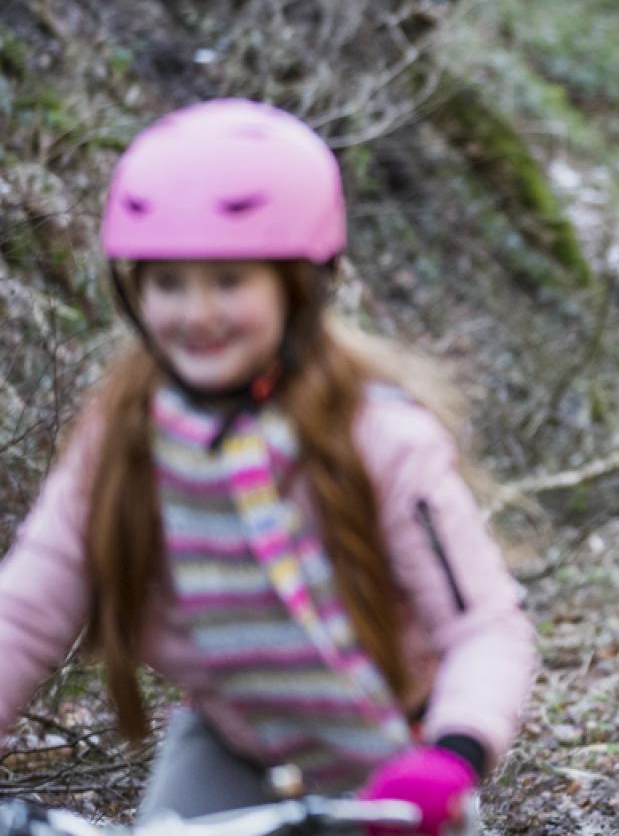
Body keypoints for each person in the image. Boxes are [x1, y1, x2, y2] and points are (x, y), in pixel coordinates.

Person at [0, 100, 538, 833]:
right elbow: (25, 612)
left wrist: (452, 757)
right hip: (234, 745)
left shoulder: (378, 435)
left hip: (394, 759)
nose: (196, 312)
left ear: (299, 285)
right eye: (167, 283)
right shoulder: (121, 441)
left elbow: (485, 629)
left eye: (228, 280)